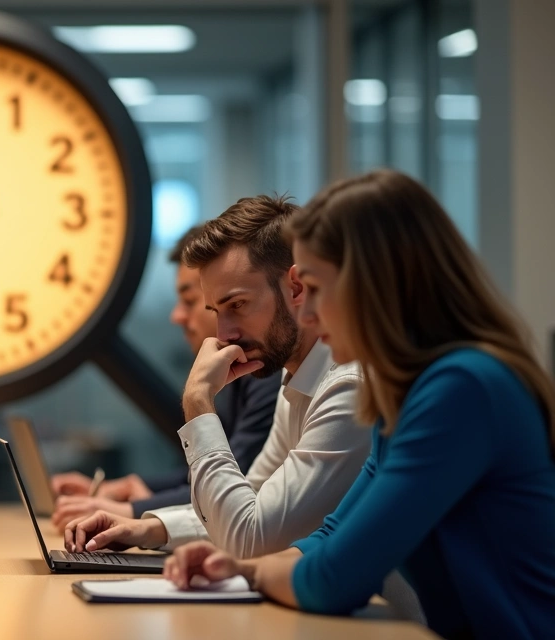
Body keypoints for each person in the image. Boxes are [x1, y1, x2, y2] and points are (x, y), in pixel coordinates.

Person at [155, 170, 555, 639]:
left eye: (317, 288)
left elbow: (335, 579)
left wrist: (248, 569)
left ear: (378, 284)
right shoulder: (403, 395)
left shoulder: (460, 388)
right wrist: (234, 566)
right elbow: (326, 544)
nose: (305, 313)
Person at [64, 195, 368, 559]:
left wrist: (197, 402)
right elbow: (248, 503)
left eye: (237, 305)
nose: (223, 334)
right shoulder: (298, 380)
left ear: (297, 288)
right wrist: (147, 528)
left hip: (386, 616)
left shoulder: (347, 388)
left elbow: (250, 538)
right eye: (215, 310)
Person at [50, 227, 277, 526]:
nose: (177, 316)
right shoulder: (244, 371)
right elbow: (213, 480)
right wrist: (123, 492)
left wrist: (134, 511)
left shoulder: (271, 375)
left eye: (191, 301)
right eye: (209, 306)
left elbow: (235, 490)